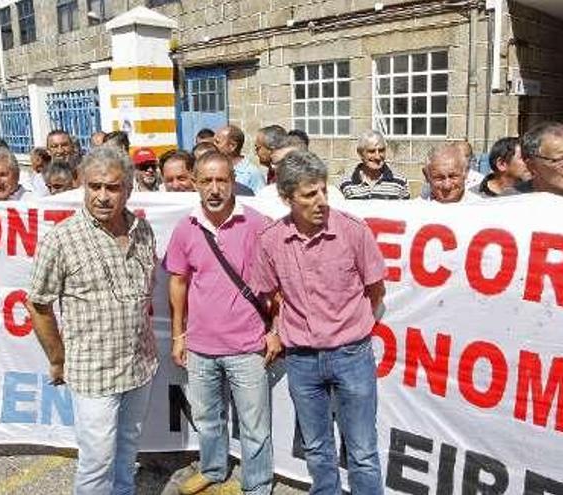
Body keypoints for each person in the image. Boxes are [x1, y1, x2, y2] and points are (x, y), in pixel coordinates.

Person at [251, 150, 385, 495]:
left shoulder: (354, 231)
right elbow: (271, 294)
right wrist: (282, 329)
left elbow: (376, 290)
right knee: (317, 448)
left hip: (352, 355)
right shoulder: (270, 241)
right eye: (310, 194)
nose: (321, 201)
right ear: (286, 197)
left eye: (324, 190)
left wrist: (346, 328)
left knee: (362, 451)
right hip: (302, 361)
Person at [27, 146, 158, 494]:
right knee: (97, 461)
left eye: (112, 188)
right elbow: (38, 304)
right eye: (94, 186)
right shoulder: (61, 239)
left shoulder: (143, 230)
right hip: (92, 372)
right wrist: (57, 359)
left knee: (128, 449)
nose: (102, 196)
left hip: (138, 365)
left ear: (128, 190)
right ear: (82, 186)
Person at [165, 150, 278, 495]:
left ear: (233, 182)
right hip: (200, 346)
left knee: (255, 426)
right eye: (206, 181)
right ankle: (213, 469)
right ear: (196, 184)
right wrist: (178, 335)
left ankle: (258, 484)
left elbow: (277, 283)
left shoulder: (258, 224)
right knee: (207, 420)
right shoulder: (186, 228)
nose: (214, 189)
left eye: (222, 180)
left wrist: (275, 331)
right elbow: (178, 282)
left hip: (248, 346)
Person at [339, 130, 410, 200]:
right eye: (371, 151)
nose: (377, 157)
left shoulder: (400, 182)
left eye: (381, 150)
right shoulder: (346, 183)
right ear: (360, 153)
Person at [214, 125, 266, 193]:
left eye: (217, 142)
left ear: (232, 146)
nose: (213, 145)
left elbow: (260, 201)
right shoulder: (214, 168)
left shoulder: (251, 174)